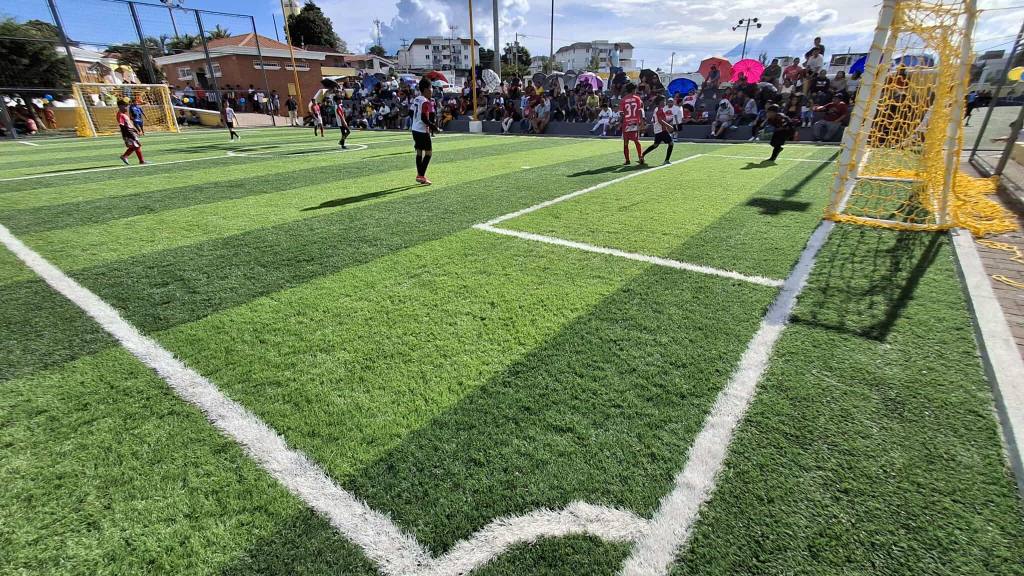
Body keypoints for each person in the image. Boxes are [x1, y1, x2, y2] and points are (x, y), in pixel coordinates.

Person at [411, 77, 439, 185]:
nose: (432, 90)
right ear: (427, 89)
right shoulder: (426, 102)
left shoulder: (417, 99)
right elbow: (424, 118)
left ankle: (420, 176)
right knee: (429, 153)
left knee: (419, 152)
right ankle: (421, 175)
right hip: (422, 131)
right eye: (431, 88)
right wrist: (433, 126)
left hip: (414, 129)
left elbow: (411, 112)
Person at [642, 95, 674, 165]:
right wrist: (669, 126)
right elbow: (660, 121)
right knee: (671, 143)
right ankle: (666, 160)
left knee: (656, 145)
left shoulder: (656, 109)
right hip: (661, 130)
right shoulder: (659, 110)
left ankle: (642, 155)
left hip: (657, 130)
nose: (665, 102)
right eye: (664, 101)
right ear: (660, 102)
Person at [619, 83, 645, 165]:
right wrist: (641, 121)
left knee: (626, 142)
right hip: (635, 122)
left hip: (626, 123)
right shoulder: (637, 98)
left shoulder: (623, 100)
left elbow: (621, 114)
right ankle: (640, 157)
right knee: (636, 141)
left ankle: (627, 160)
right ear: (634, 89)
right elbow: (640, 110)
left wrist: (621, 122)